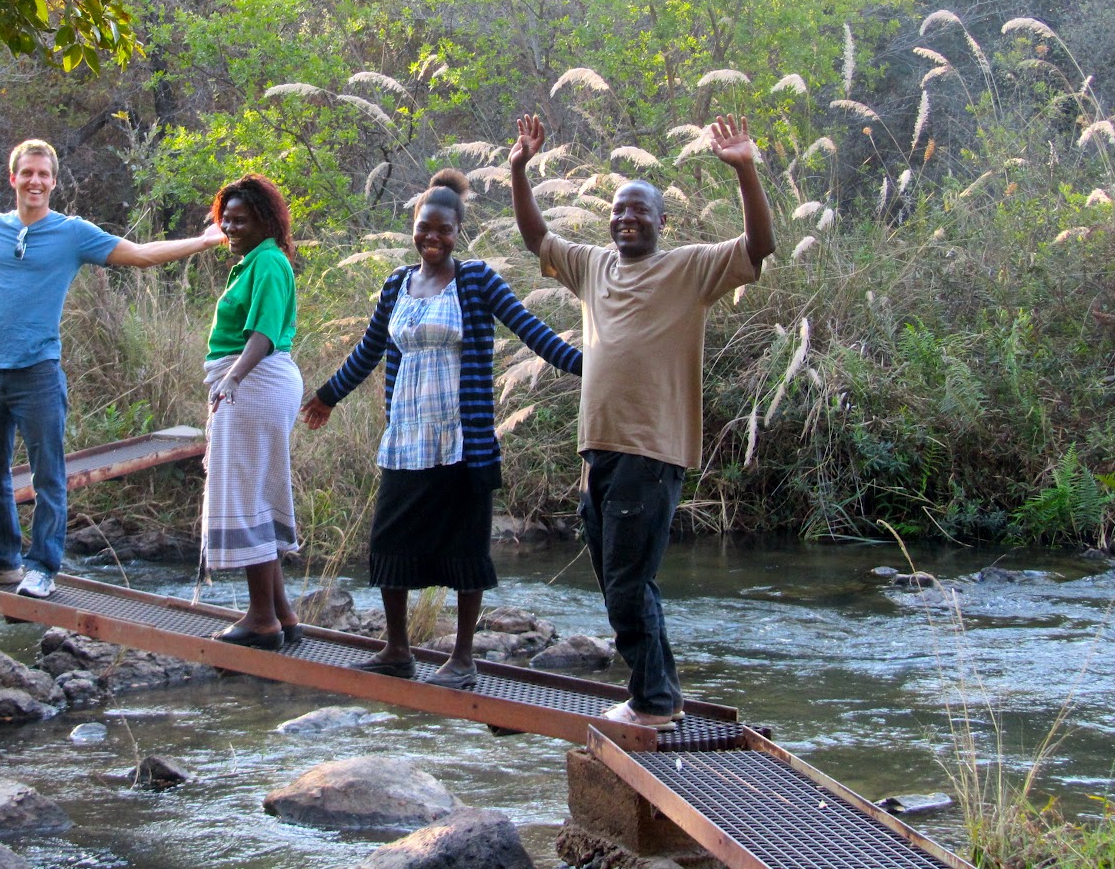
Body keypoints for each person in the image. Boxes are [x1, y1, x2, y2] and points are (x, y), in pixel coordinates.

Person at [508, 113, 775, 729]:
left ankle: (653, 704)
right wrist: (519, 170)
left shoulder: (690, 268)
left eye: (640, 211)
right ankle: (658, 693)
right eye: (619, 210)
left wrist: (746, 171)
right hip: (597, 449)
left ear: (661, 222)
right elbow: (535, 238)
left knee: (629, 582)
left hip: (651, 451)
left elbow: (758, 247)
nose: (627, 218)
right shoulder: (593, 266)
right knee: (619, 582)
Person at [300, 169, 583, 688]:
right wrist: (327, 395)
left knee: (464, 549)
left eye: (444, 230)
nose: (433, 237)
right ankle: (397, 650)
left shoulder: (477, 280)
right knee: (389, 542)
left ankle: (464, 658)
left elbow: (531, 331)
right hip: (406, 438)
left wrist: (589, 365)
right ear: (414, 225)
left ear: (458, 231)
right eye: (424, 227)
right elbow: (368, 351)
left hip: (461, 440)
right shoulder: (396, 285)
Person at [0, 139, 225, 599]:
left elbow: (140, 254)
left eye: (43, 174)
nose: (35, 181)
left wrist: (203, 241)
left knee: (47, 473)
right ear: (12, 178)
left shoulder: (72, 234)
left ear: (53, 182)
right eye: (27, 173)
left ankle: (42, 567)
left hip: (37, 370)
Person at [200, 174, 306, 651]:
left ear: (265, 221)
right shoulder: (253, 262)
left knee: (245, 497)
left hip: (255, 383)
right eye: (226, 218)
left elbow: (261, 333)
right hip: (253, 383)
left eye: (241, 219)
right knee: (255, 492)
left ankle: (261, 619)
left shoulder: (267, 263)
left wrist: (234, 378)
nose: (231, 226)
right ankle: (282, 613)